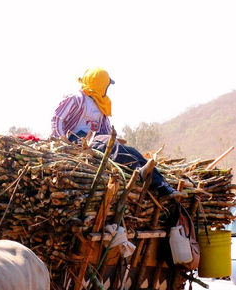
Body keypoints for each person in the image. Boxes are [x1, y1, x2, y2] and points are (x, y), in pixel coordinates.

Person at [51, 67, 179, 198]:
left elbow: (105, 131)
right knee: (112, 146)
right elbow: (57, 119)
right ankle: (142, 173)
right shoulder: (77, 98)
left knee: (128, 149)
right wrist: (63, 142)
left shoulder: (101, 104)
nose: (107, 89)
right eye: (106, 85)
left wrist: (113, 140)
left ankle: (161, 182)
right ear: (100, 84)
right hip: (77, 139)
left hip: (96, 139)